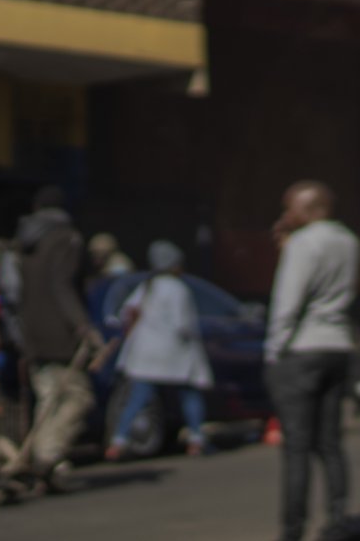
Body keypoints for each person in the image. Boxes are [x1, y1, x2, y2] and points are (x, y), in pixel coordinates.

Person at [265, 181, 359, 541]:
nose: (286, 214)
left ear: (307, 209)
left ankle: (293, 530)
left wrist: (273, 353)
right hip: (337, 345)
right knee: (331, 443)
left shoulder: (303, 243)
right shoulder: (348, 240)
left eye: (289, 207)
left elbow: (286, 304)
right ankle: (338, 520)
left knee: (297, 447)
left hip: (301, 349)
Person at [13, 185, 100, 485]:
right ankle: (48, 455)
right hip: (59, 333)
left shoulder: (25, 242)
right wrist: (82, 326)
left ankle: (42, 458)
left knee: (49, 396)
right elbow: (61, 285)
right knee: (78, 396)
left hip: (32, 332)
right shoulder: (66, 238)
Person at [105, 240, 213, 460]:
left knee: (137, 398)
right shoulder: (179, 289)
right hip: (174, 353)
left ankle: (119, 440)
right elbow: (183, 324)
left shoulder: (146, 287)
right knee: (190, 394)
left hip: (144, 354)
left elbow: (128, 311)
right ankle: (196, 439)